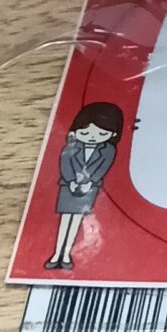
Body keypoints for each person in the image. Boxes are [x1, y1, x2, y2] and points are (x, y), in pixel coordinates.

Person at [47, 103, 124, 270]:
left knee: (77, 220)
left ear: (113, 134)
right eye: (85, 132)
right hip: (68, 187)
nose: (92, 137)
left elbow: (103, 168)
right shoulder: (72, 145)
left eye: (102, 133)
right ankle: (56, 253)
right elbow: (65, 163)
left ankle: (66, 255)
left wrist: (90, 182)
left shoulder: (108, 150)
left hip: (90, 188)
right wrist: (71, 181)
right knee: (65, 220)